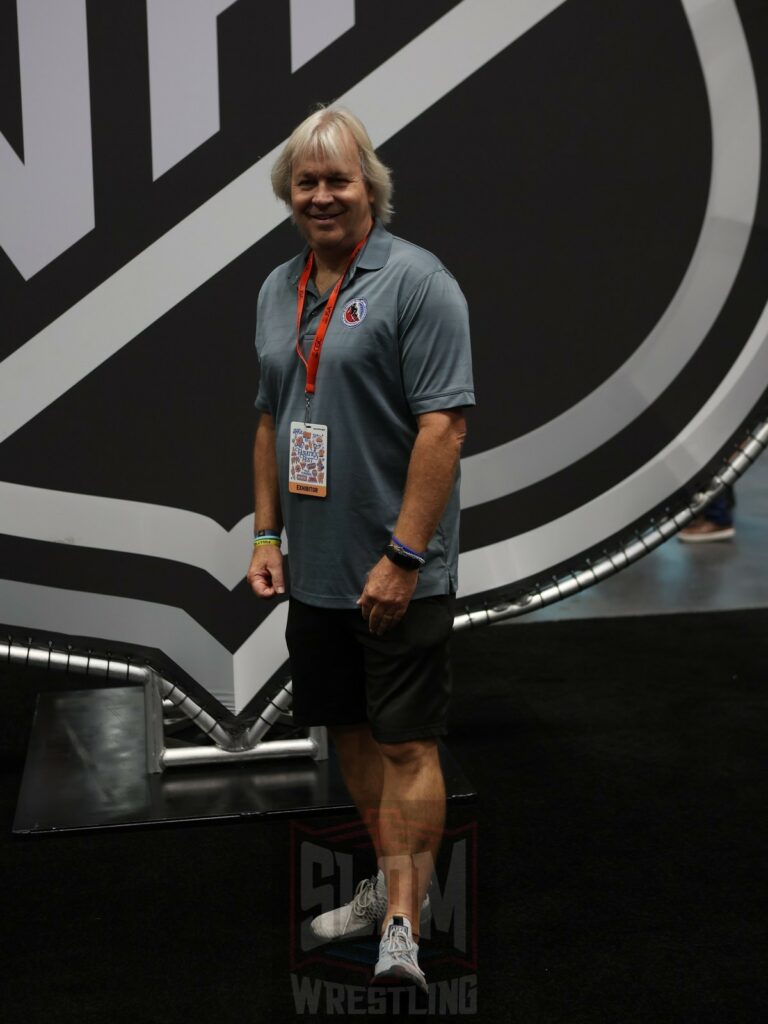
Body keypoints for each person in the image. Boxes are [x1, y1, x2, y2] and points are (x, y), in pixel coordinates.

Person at [247, 106, 474, 992]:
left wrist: (404, 556)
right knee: (349, 732)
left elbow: (445, 429)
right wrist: (267, 533)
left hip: (399, 572)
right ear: (289, 194)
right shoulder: (278, 286)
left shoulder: (421, 282)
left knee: (410, 743)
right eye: (306, 181)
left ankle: (407, 927)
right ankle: (389, 883)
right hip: (318, 566)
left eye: (338, 178)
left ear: (368, 186)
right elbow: (271, 418)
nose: (321, 194)